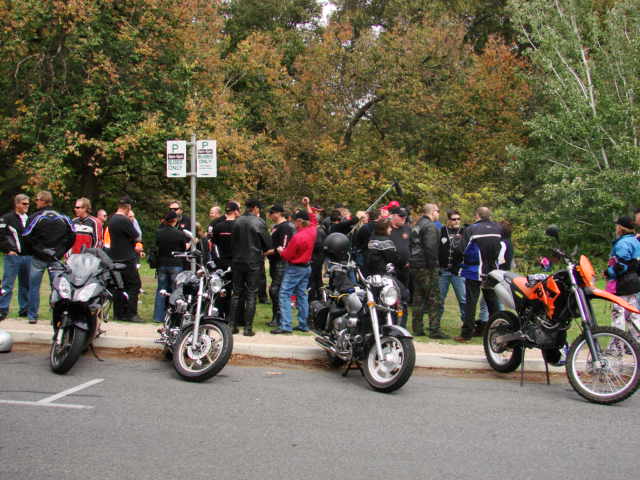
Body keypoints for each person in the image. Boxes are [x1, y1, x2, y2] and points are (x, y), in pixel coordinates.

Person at [22, 191, 75, 324]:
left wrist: (36, 250)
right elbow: (72, 236)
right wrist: (61, 251)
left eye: (37, 199)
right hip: (56, 257)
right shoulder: (64, 217)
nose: (36, 202)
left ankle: (32, 316)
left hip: (38, 257)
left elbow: (26, 236)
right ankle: (55, 317)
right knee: (57, 288)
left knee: (34, 287)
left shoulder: (35, 217)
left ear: (43, 201)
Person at [454, 206, 503, 342]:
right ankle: (500, 331)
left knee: (471, 302)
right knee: (493, 302)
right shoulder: (498, 228)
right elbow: (502, 247)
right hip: (492, 270)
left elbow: (461, 249)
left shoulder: (472, 229)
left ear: (477, 216)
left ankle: (466, 333)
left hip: (474, 270)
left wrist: (458, 249)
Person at [271, 197, 316, 334]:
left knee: (284, 294)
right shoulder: (312, 230)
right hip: (306, 267)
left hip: (295, 268)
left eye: (295, 221)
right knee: (302, 295)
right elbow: (313, 217)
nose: (293, 223)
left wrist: (280, 250)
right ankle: (303, 324)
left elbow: (286, 255)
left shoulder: (298, 237)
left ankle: (286, 325)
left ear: (299, 221)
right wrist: (307, 205)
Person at [229, 199, 271, 336]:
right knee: (251, 294)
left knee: (236, 293)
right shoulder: (259, 222)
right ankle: (247, 328)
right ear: (256, 208)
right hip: (253, 261)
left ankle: (232, 325)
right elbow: (267, 245)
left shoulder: (237, 221)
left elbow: (232, 242)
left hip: (237, 260)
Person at [409, 203, 449, 339]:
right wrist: (434, 267)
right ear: (432, 212)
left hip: (415, 265)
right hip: (427, 266)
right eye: (437, 211)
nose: (438, 213)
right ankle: (434, 329)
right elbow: (430, 248)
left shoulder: (417, 224)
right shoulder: (430, 226)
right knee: (434, 298)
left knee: (418, 297)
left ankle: (417, 328)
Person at [107, 196, 144, 323]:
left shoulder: (112, 219)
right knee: (134, 285)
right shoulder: (124, 220)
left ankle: (118, 313)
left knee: (119, 286)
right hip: (127, 258)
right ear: (128, 207)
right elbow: (136, 236)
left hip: (114, 257)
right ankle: (131, 313)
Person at [606, 216, 640, 341]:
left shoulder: (622, 243)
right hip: (634, 282)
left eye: (617, 225)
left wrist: (608, 272)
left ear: (621, 228)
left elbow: (622, 265)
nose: (616, 228)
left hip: (623, 284)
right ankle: (637, 343)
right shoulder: (635, 241)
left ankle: (616, 346)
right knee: (633, 316)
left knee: (618, 315)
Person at [153, 210, 188, 323]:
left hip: (162, 263)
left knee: (161, 289)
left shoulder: (159, 232)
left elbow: (157, 246)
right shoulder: (180, 234)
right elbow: (183, 248)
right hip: (175, 263)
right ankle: (174, 316)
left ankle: (158, 316)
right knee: (176, 290)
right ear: (175, 220)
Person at [0, 194, 32, 321]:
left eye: (28, 203)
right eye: (24, 203)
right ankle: (2, 309)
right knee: (7, 284)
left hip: (28, 257)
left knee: (26, 284)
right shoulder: (6, 218)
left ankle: (24, 309)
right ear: (17, 204)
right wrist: (8, 250)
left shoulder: (30, 218)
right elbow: (1, 236)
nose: (27, 206)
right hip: (13, 257)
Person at [265, 205, 296, 327]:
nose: (270, 216)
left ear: (278, 213)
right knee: (274, 290)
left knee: (275, 290)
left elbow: (283, 248)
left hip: (281, 263)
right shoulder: (275, 227)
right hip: (274, 262)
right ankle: (276, 317)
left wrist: (268, 252)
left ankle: (279, 318)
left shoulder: (285, 227)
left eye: (272, 213)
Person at [437, 209, 466, 329]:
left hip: (458, 271)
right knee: (439, 299)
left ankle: (466, 324)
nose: (456, 221)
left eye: (458, 219)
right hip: (443, 270)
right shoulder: (442, 231)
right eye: (454, 219)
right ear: (448, 220)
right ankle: (435, 324)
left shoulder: (464, 232)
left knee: (463, 299)